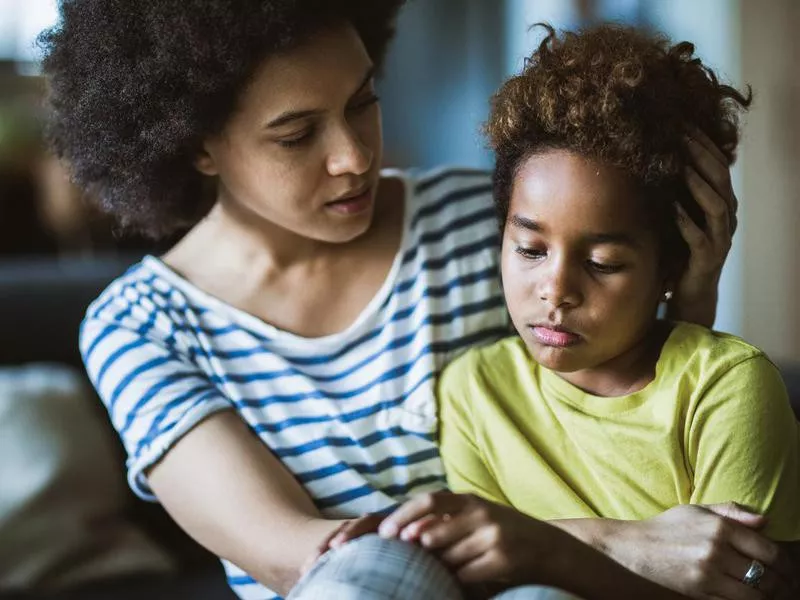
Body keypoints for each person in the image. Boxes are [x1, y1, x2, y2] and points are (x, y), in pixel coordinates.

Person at [37, 2, 777, 598]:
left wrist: (684, 294)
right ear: (196, 145)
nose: (355, 154)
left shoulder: (483, 224)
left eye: (363, 103)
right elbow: (306, 560)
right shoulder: (141, 328)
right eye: (297, 135)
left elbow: (621, 410)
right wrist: (601, 544)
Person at [366, 23, 800, 600]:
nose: (556, 289)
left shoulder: (727, 388)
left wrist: (545, 547)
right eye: (529, 249)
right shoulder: (474, 393)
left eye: (602, 262)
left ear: (673, 264)